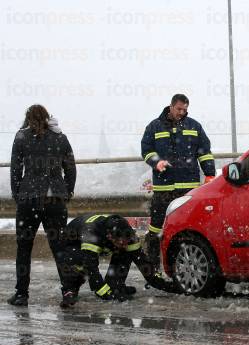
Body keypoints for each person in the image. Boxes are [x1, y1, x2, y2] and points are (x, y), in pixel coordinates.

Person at [8, 105, 76, 306]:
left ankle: (21, 294)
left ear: (28, 119)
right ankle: (68, 291)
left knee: (24, 248)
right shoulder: (60, 138)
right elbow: (71, 169)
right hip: (54, 200)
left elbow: (15, 169)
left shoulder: (21, 137)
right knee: (60, 248)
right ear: (48, 118)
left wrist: (18, 194)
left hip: (29, 200)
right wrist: (67, 192)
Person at [140, 94, 216, 271]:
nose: (182, 113)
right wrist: (156, 161)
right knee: (156, 229)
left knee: (189, 229)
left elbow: (204, 152)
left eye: (185, 110)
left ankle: (183, 267)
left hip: (188, 189)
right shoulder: (154, 126)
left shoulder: (194, 126)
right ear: (171, 106)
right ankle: (152, 270)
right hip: (163, 189)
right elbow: (146, 150)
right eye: (179, 109)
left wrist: (210, 174)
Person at [59, 213, 180, 308]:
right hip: (71, 243)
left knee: (127, 252)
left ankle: (115, 286)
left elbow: (145, 266)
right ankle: (69, 290)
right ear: (110, 236)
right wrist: (106, 294)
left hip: (101, 237)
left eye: (126, 240)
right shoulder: (92, 235)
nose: (124, 244)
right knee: (79, 262)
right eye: (120, 241)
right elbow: (91, 269)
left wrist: (173, 287)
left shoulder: (128, 235)